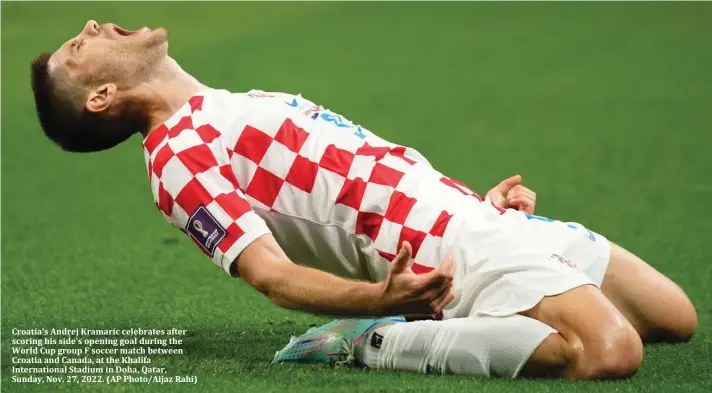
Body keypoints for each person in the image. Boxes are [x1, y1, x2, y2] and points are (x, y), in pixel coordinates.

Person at [30, 21, 697, 380]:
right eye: (77, 48)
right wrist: (382, 300)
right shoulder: (176, 158)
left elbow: (366, 176)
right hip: (433, 250)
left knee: (673, 317)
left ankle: (460, 294)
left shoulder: (224, 105)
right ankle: (377, 341)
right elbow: (272, 275)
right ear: (101, 99)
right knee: (609, 351)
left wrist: (478, 200)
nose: (90, 25)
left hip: (468, 214)